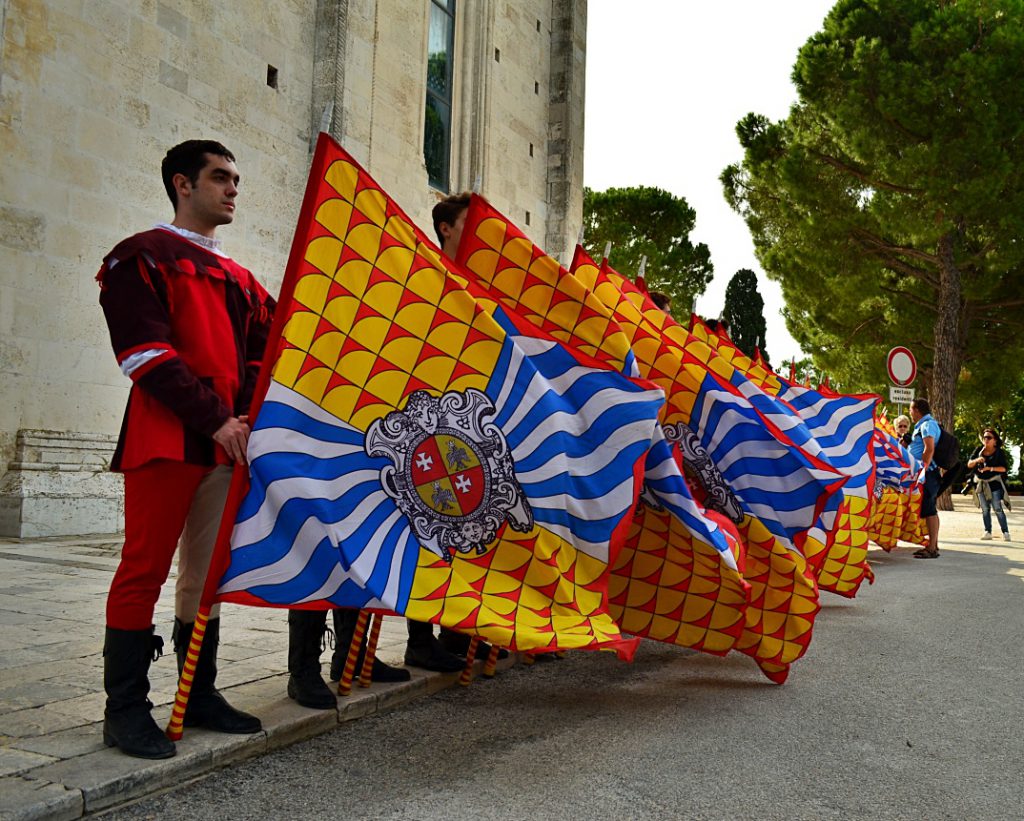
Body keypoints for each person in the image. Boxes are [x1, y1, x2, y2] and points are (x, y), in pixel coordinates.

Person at [97, 140, 270, 758]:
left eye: (236, 179)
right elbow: (144, 354)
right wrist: (218, 418)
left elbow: (260, 355)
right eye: (220, 178)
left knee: (205, 577)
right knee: (143, 568)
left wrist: (242, 416)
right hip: (166, 436)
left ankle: (197, 693)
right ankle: (124, 710)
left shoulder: (245, 282)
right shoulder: (139, 256)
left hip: (227, 445)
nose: (232, 190)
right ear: (182, 185)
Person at [908, 398, 941, 559]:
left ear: (917, 410)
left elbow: (929, 448)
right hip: (926, 473)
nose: (910, 413)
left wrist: (923, 468)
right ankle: (933, 544)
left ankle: (932, 548)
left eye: (910, 409)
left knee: (930, 509)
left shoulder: (927, 425)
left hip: (928, 473)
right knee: (929, 509)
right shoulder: (924, 425)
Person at [967, 428, 1012, 542]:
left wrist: (990, 468)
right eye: (984, 437)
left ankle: (1005, 532)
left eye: (989, 437)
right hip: (981, 484)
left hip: (994, 483)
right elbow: (969, 464)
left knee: (997, 508)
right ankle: (988, 531)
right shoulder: (978, 450)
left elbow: (1004, 468)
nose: (986, 439)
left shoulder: (999, 452)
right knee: (985, 509)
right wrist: (977, 460)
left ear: (995, 441)